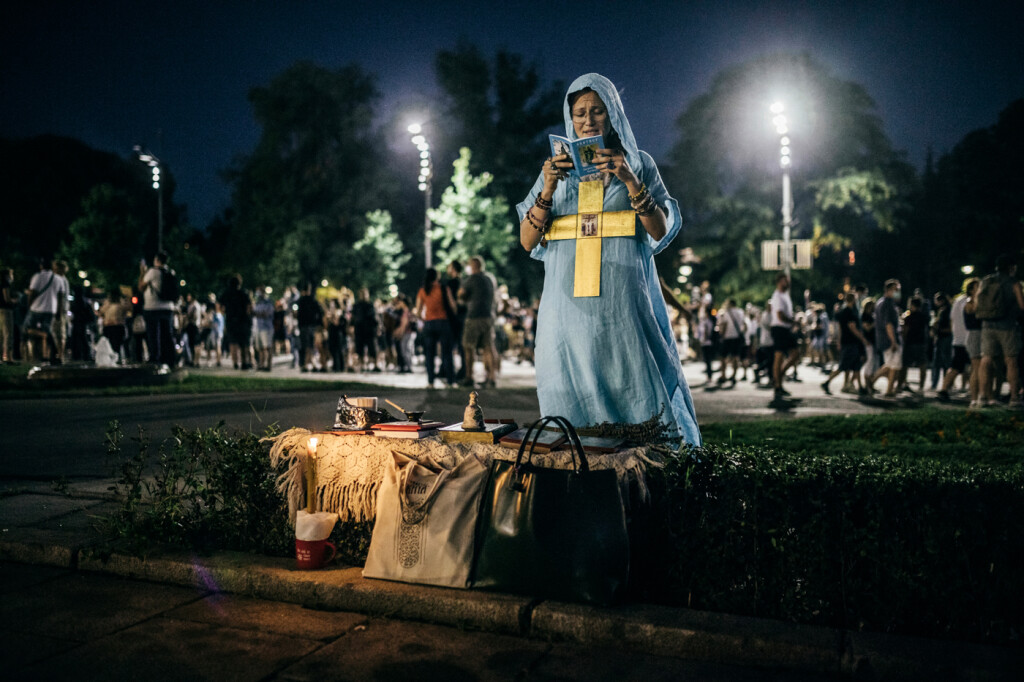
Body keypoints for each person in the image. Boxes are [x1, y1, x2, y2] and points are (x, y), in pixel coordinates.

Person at [516, 73, 700, 442]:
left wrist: (630, 179)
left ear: (612, 113)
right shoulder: (556, 170)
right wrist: (549, 186)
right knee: (569, 402)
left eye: (597, 110)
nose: (587, 119)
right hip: (565, 312)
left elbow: (659, 230)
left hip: (622, 309)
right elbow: (526, 240)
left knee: (634, 389)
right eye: (580, 111)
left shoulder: (639, 163)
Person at [976, 255, 1024, 409]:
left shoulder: (986, 280)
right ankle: (1015, 398)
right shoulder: (1014, 283)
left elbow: (977, 303)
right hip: (1007, 326)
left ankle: (982, 396)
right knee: (1011, 360)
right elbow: (1022, 306)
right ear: (1011, 267)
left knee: (986, 359)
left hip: (987, 325)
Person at [458, 256, 498, 388]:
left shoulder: (471, 279)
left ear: (473, 266)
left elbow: (461, 295)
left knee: (468, 347)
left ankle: (469, 377)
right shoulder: (490, 279)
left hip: (473, 316)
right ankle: (491, 377)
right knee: (488, 347)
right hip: (488, 317)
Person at [416, 267, 456, 388]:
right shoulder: (443, 288)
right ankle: (450, 381)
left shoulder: (423, 290)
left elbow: (418, 311)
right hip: (443, 322)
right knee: (446, 353)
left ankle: (431, 381)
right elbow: (452, 305)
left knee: (429, 354)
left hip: (429, 323)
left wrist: (425, 319)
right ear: (437, 277)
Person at [23, 258, 68, 363]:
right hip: (50, 309)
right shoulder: (58, 279)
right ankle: (47, 355)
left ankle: (35, 354)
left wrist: (29, 306)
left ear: (41, 266)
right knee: (47, 332)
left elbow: (32, 293)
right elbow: (61, 297)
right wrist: (58, 311)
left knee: (27, 330)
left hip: (36, 309)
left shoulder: (37, 277)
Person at [938, 279, 977, 403]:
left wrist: (955, 333)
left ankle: (943, 389)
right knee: (974, 366)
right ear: (971, 289)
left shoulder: (958, 301)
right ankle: (975, 393)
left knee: (956, 367)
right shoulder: (970, 301)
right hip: (968, 338)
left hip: (958, 339)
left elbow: (952, 320)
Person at [821, 293, 867, 395]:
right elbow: (853, 328)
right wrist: (863, 339)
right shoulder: (850, 313)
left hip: (847, 342)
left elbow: (841, 329)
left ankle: (857, 386)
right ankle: (827, 382)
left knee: (855, 366)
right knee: (843, 366)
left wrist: (839, 341)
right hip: (851, 342)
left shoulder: (843, 312)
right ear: (853, 300)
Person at [137, 252, 177, 366]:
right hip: (168, 308)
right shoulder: (171, 272)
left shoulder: (152, 272)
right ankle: (170, 359)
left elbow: (141, 287)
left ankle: (155, 358)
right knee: (167, 334)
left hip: (152, 307)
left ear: (157, 260)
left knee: (153, 334)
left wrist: (142, 272)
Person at [868, 279, 903, 398]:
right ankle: (888, 390)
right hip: (889, 339)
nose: (898, 292)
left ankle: (875, 382)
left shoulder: (881, 302)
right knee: (893, 365)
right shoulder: (887, 304)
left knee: (891, 364)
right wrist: (893, 341)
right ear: (889, 290)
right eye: (896, 289)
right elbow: (888, 324)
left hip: (883, 338)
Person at [769, 273, 800, 401]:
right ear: (779, 282)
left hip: (785, 329)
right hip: (779, 328)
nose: (787, 283)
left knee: (796, 354)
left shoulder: (785, 295)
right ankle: (777, 384)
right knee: (779, 356)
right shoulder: (777, 296)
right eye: (785, 281)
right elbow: (780, 316)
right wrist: (793, 321)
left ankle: (778, 376)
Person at [220, 275, 253, 370]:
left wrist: (227, 313)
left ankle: (235, 363)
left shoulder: (226, 293)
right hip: (243, 321)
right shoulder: (244, 293)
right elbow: (248, 308)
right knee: (243, 344)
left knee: (233, 342)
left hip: (231, 321)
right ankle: (244, 362)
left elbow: (221, 308)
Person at [252, 289, 275, 372]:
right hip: (258, 327)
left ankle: (268, 365)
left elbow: (266, 314)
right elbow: (253, 312)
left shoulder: (268, 302)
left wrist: (257, 314)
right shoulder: (257, 303)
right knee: (260, 348)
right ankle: (261, 364)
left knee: (267, 347)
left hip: (267, 327)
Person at [0, 268, 16, 364]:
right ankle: (9, 358)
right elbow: (7, 299)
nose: (12, 276)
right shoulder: (6, 285)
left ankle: (1, 358)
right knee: (8, 334)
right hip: (6, 311)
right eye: (11, 274)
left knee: (1, 335)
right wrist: (14, 301)